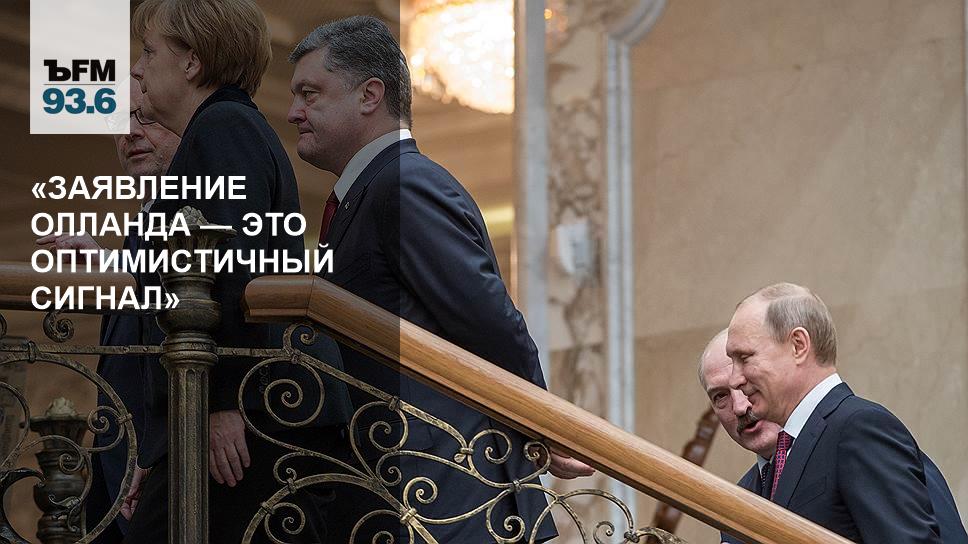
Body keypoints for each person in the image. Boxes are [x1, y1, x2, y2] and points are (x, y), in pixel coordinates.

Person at [286, 15, 593, 543]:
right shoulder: (370, 191)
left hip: (449, 498)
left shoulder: (403, 183)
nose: (294, 112)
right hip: (407, 492)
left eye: (310, 94)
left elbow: (490, 322)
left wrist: (546, 424)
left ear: (370, 95)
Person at [124, 0, 349, 541]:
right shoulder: (219, 128)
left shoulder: (223, 125)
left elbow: (231, 268)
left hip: (246, 416)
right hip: (227, 409)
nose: (138, 68)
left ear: (191, 62)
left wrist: (220, 404)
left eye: (149, 52)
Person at [36, 83, 181, 543]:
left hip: (159, 466)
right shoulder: (149, 215)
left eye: (148, 118)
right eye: (120, 122)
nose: (130, 133)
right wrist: (109, 268)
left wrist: (150, 452)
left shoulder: (191, 215)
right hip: (119, 458)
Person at [699, 328, 967, 544]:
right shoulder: (738, 497)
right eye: (720, 396)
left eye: (746, 383)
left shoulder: (858, 432)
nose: (740, 406)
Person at [725, 283, 942, 542]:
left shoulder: (859, 428)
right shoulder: (778, 460)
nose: (735, 379)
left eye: (744, 358)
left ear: (798, 345)